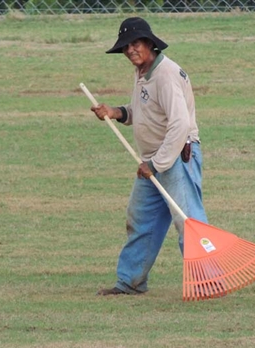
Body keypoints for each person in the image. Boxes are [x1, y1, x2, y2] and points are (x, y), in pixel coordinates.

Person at [91, 17, 208, 296]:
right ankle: (130, 282)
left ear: (149, 43)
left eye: (136, 44)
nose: (130, 50)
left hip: (174, 158)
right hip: (152, 163)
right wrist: (116, 112)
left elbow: (179, 124)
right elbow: (144, 111)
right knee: (140, 219)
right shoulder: (144, 72)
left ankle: (208, 281)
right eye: (126, 47)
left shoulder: (166, 75)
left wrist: (156, 164)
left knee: (188, 222)